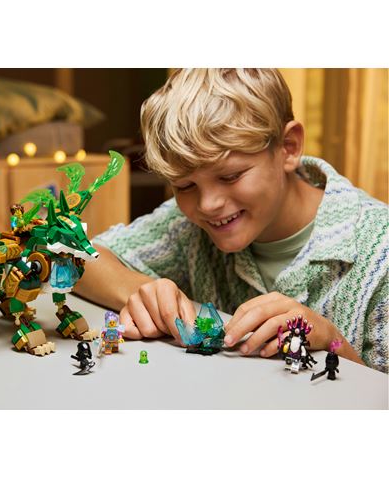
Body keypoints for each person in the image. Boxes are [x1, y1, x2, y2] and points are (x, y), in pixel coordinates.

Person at [74, 69, 388, 373]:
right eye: (184, 186)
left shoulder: (380, 249)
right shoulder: (186, 226)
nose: (207, 205)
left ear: (288, 147)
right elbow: (74, 255)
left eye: (230, 176)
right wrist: (145, 291)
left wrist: (332, 342)